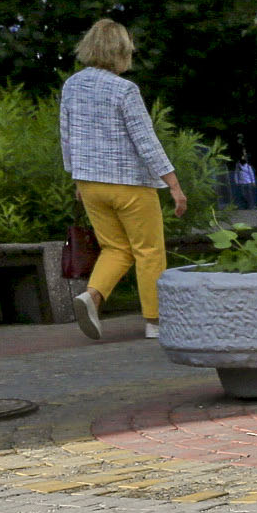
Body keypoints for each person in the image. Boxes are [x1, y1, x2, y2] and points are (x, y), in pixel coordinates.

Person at [59, 18, 187, 342]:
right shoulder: (125, 89)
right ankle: (156, 321)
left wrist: (76, 177)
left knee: (115, 247)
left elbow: (67, 137)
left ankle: (92, 296)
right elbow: (145, 140)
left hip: (89, 184)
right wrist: (172, 183)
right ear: (121, 51)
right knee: (148, 250)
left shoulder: (71, 85)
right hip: (130, 184)